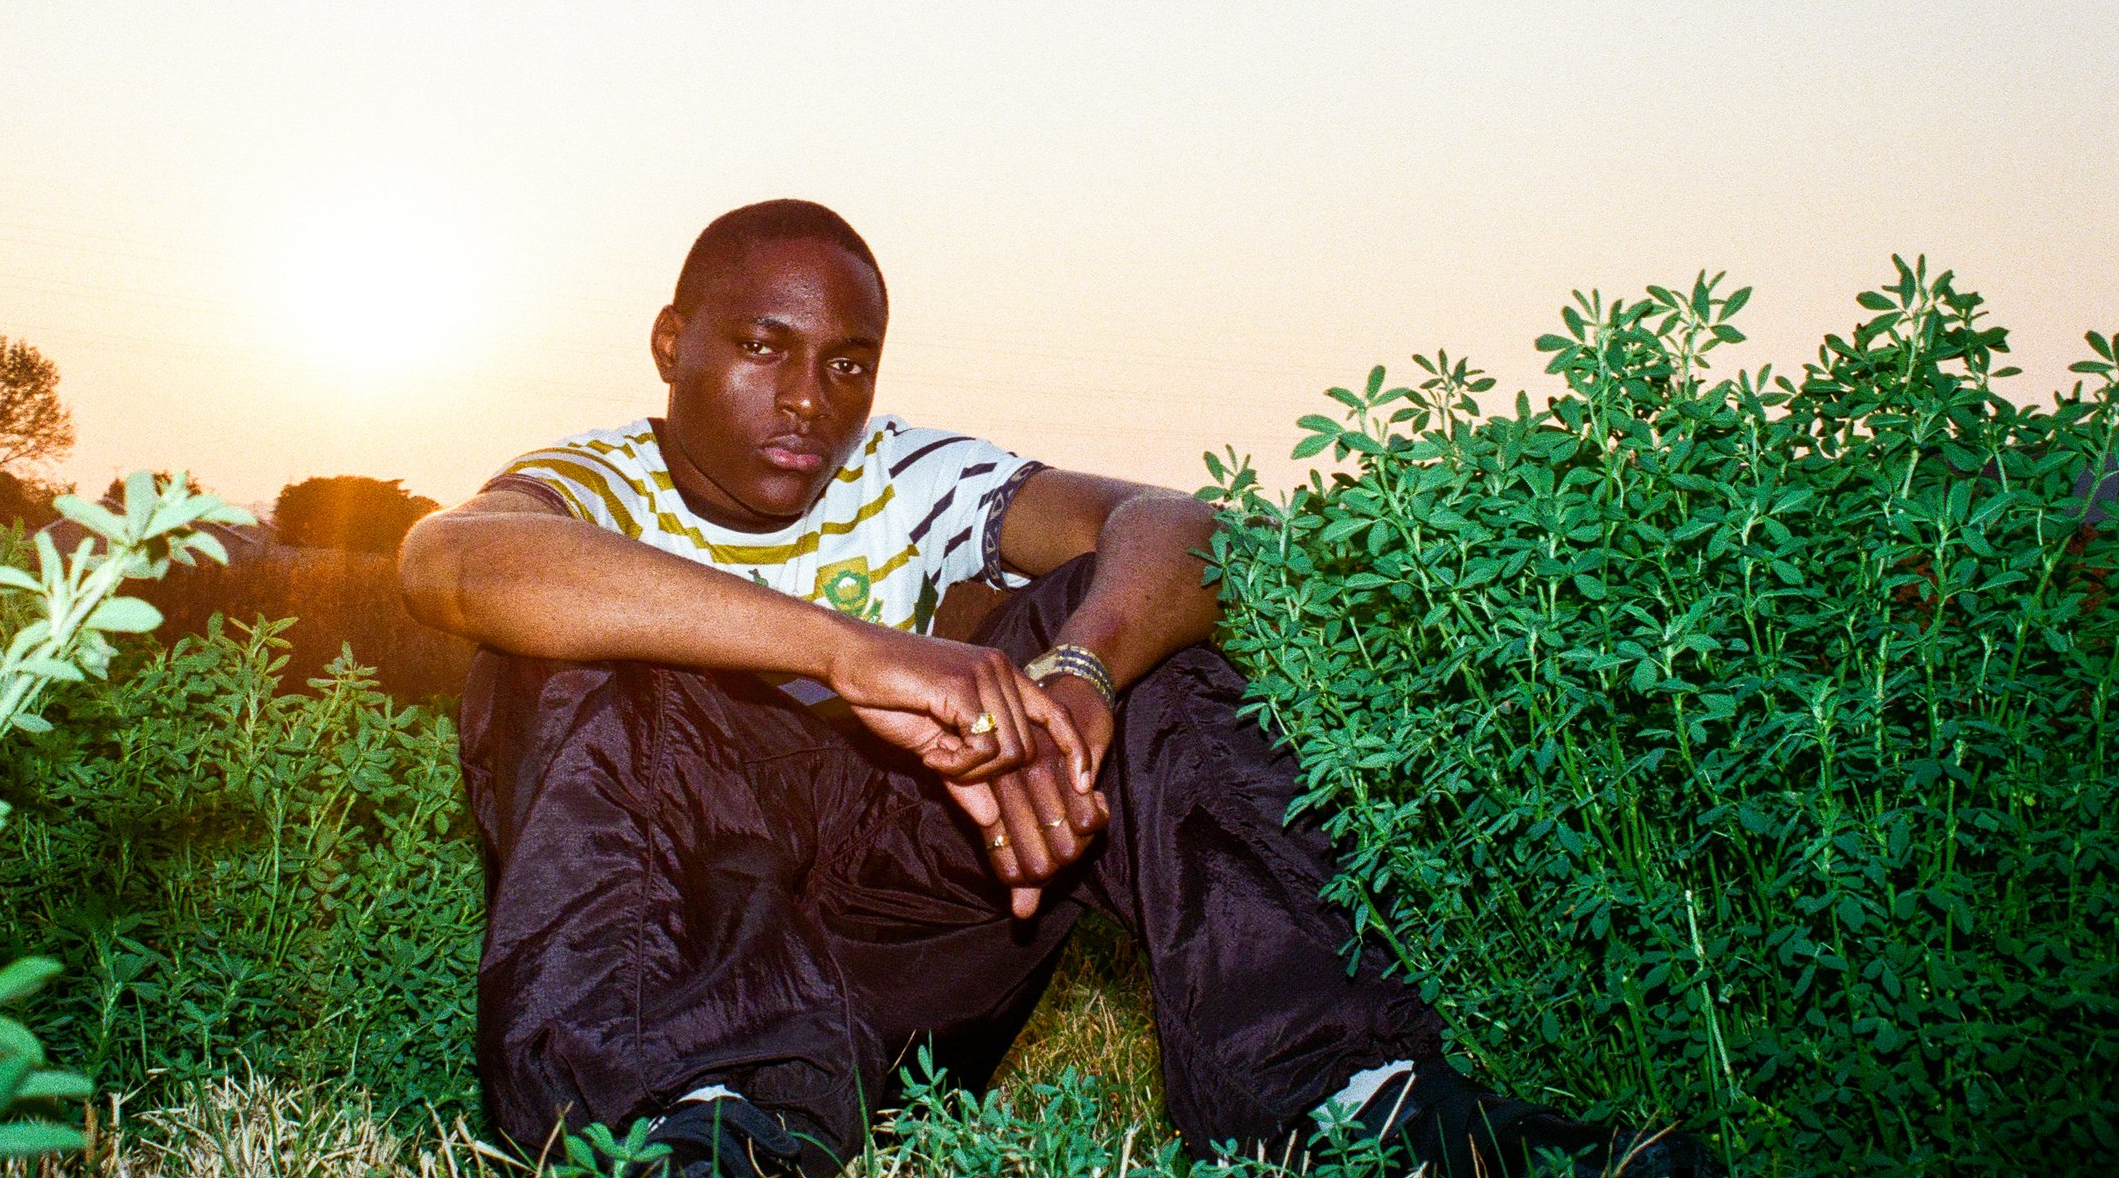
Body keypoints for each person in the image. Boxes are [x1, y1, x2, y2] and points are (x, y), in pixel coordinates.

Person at [398, 201, 1710, 1178]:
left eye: (848, 360)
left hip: (889, 944)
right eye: (762, 346)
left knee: (1152, 635)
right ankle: (681, 1134)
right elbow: (454, 561)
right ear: (672, 342)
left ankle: (1351, 1106)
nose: (811, 398)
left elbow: (1180, 520)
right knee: (569, 657)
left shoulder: (898, 473)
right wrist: (848, 649)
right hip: (688, 959)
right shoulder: (597, 483)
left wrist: (1084, 675)